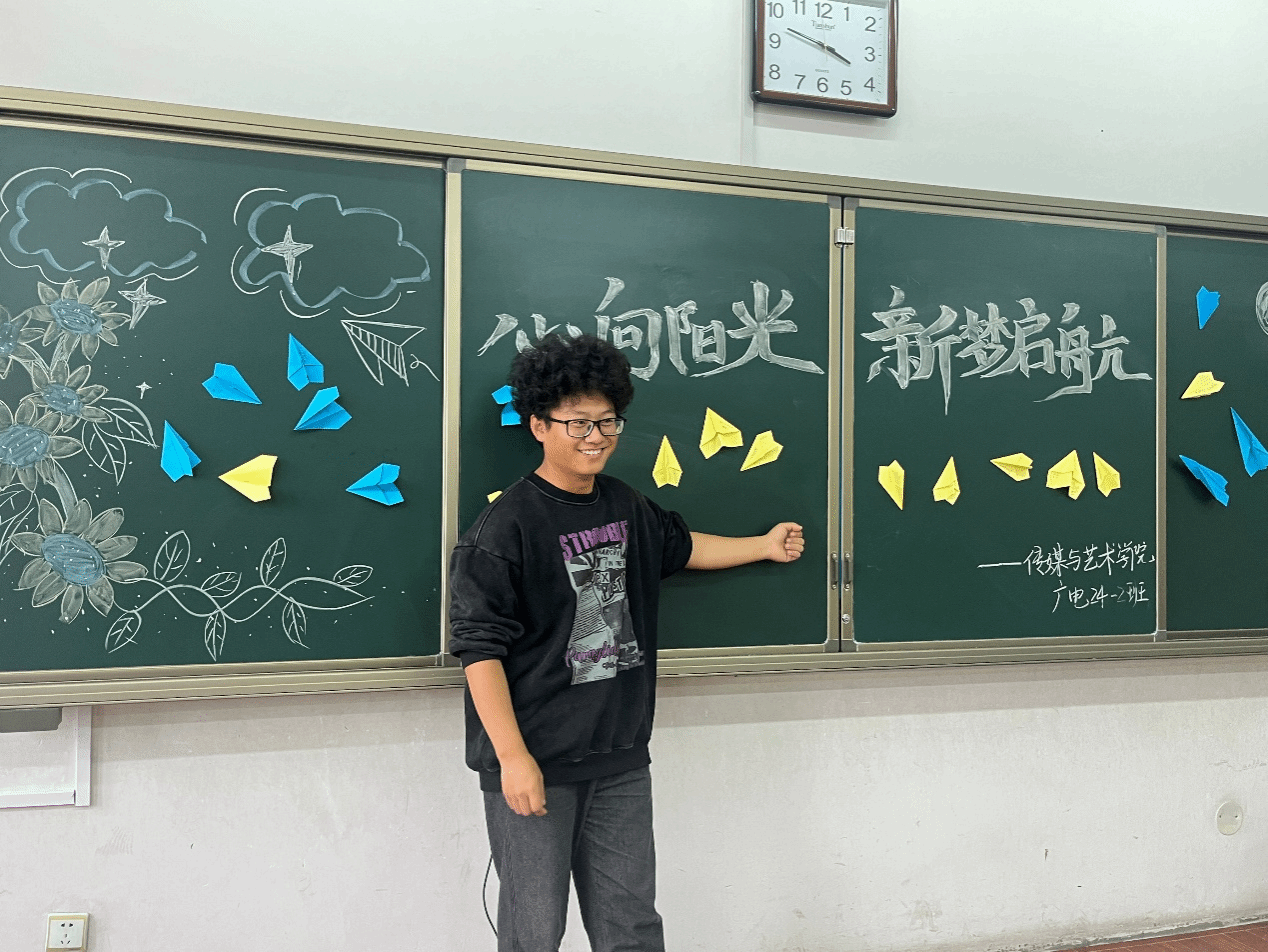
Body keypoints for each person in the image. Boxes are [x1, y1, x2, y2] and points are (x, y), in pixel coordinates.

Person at [448, 333, 804, 952]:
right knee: (534, 932)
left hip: (618, 757)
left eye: (608, 421)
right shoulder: (504, 528)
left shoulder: (624, 503)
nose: (596, 437)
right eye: (577, 423)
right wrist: (513, 758)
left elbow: (682, 547)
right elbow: (479, 650)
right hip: (537, 762)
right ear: (538, 425)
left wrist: (762, 546)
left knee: (632, 926)